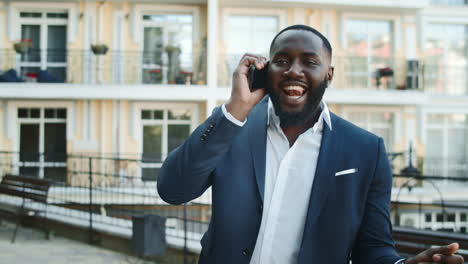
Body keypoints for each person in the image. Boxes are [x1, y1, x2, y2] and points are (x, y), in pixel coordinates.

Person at [157, 24, 464, 264]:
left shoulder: (365, 150)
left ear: (328, 74)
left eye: (309, 61)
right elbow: (173, 190)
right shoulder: (232, 127)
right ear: (266, 73)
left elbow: (373, 248)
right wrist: (235, 109)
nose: (293, 70)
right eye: (281, 61)